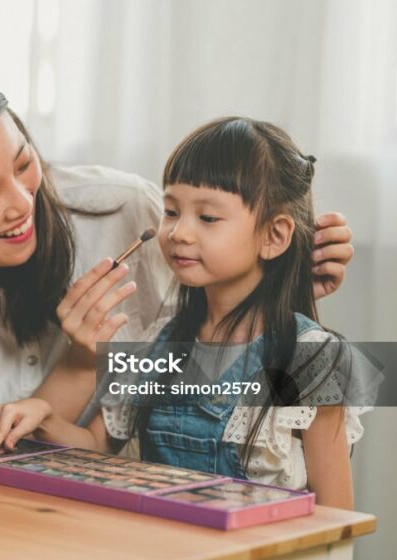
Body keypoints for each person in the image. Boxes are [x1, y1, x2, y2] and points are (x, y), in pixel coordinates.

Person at [0, 58, 354, 450]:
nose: (22, 202)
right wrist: (81, 363)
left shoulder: (131, 213)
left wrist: (284, 283)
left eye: (25, 163)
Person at [21, 117, 365, 509]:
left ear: (274, 235)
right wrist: (43, 418)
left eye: (207, 218)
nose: (178, 233)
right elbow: (98, 445)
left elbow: (336, 517)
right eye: (170, 211)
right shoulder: (159, 341)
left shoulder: (312, 361)